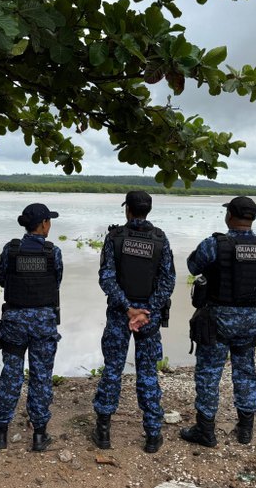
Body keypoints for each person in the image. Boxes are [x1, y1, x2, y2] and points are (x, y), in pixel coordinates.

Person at [180, 196, 256, 447]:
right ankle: (245, 429)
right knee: (245, 372)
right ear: (252, 218)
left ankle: (206, 430)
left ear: (230, 216)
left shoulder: (215, 244)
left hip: (218, 320)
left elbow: (192, 266)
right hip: (251, 319)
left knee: (209, 374)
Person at [91, 191, 176, 453]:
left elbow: (106, 278)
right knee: (148, 373)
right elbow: (168, 281)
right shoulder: (160, 239)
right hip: (148, 318)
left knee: (113, 370)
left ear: (128, 210)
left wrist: (129, 309)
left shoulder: (115, 238)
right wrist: (147, 311)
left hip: (120, 314)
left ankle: (103, 433)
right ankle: (152, 435)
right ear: (148, 210)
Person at [0, 203, 63, 451]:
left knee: (11, 375)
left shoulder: (10, 251)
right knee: (41, 376)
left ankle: (1, 433)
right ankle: (39, 435)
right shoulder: (54, 252)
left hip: (14, 322)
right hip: (43, 322)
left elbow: (2, 279)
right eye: (49, 221)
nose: (50, 225)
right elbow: (57, 282)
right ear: (43, 224)